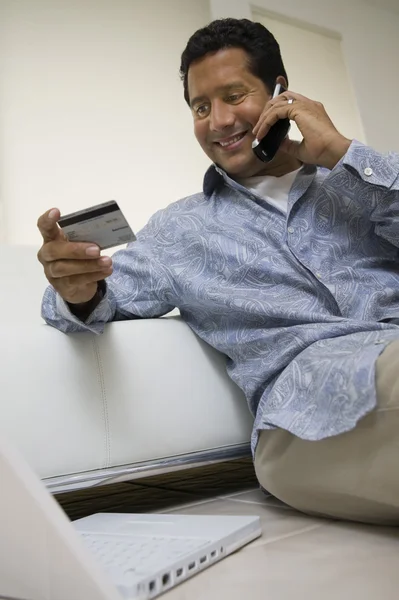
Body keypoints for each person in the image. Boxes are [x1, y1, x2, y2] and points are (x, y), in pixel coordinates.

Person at [37, 18, 399, 525]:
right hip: (303, 419)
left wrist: (342, 154)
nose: (218, 120)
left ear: (280, 93)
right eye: (201, 107)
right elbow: (101, 297)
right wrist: (75, 286)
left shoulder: (364, 179)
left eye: (235, 95)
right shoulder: (179, 230)